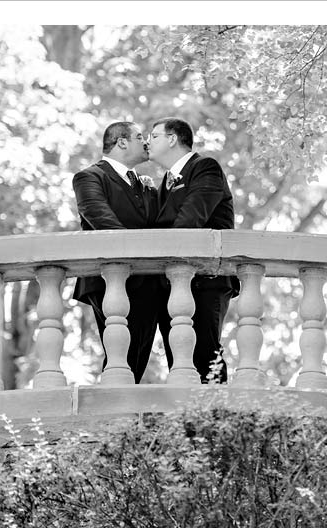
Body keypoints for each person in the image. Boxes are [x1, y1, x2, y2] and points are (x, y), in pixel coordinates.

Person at [148, 117, 239, 383]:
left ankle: (215, 417)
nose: (147, 142)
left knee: (205, 357)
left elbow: (190, 221)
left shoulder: (205, 168)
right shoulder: (165, 180)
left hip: (206, 281)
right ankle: (187, 421)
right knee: (179, 362)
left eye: (153, 136)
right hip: (174, 283)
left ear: (172, 138)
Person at [71, 121, 162, 383]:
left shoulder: (145, 184)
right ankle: (112, 415)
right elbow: (102, 221)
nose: (146, 143)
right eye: (140, 137)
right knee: (120, 356)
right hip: (108, 280)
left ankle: (124, 418)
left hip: (149, 283)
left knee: (138, 357)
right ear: (122, 142)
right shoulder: (89, 177)